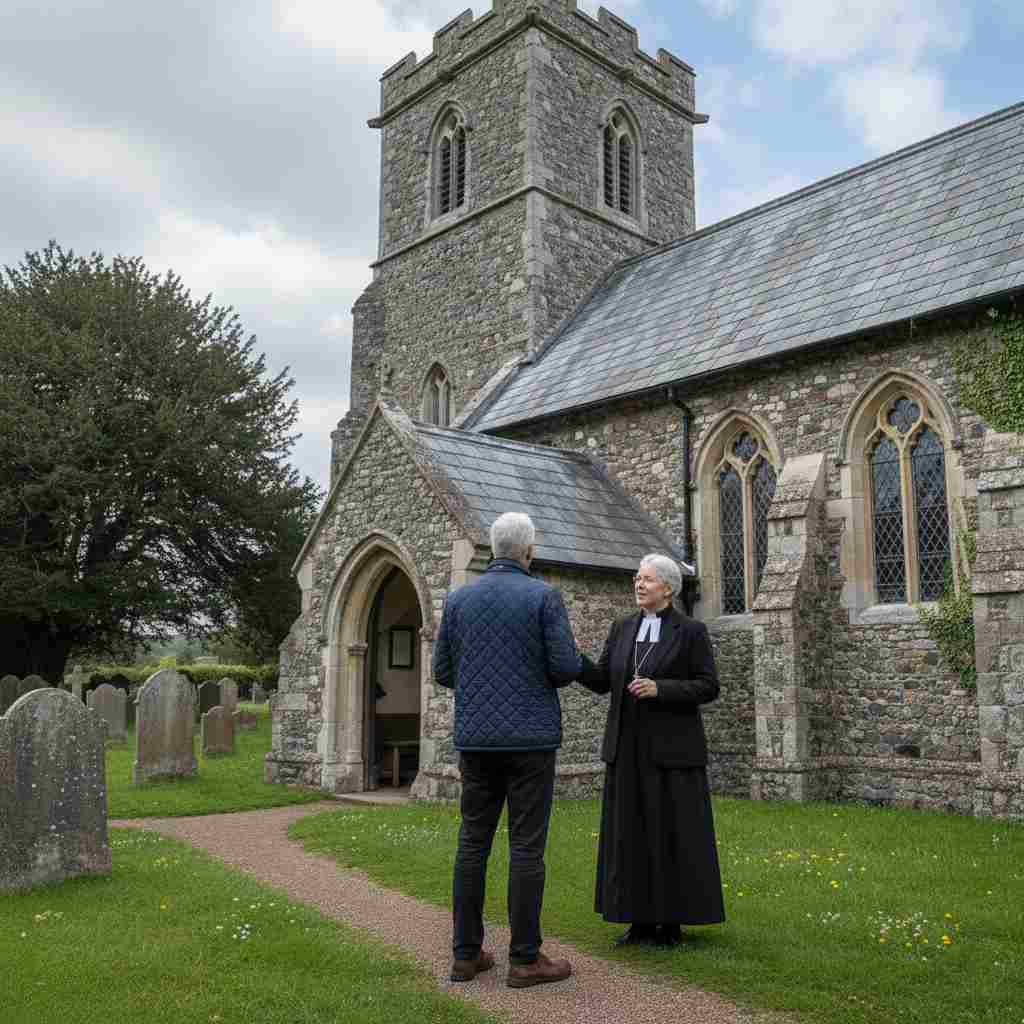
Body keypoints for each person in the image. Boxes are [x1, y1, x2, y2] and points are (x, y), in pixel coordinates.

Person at [432, 511, 581, 988]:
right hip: (531, 742)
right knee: (526, 847)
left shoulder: (459, 600)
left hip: (476, 741)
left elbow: (442, 671)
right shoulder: (543, 596)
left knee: (472, 842)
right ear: (529, 550)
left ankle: (465, 955)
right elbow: (563, 667)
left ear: (491, 549)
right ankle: (524, 958)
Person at [580, 553, 725, 947]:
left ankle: (670, 924)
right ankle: (638, 921)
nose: (638, 584)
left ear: (667, 587)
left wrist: (662, 689)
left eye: (646, 579)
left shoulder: (690, 631)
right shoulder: (622, 627)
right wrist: (569, 660)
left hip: (672, 752)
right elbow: (601, 680)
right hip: (627, 748)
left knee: (669, 835)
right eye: (636, 578)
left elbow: (708, 686)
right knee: (631, 835)